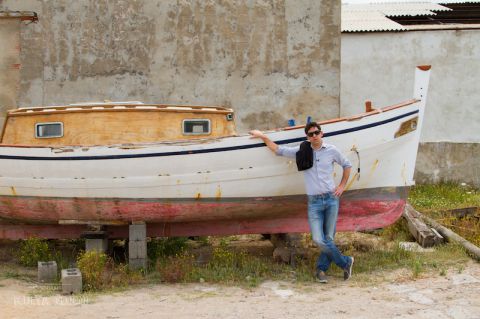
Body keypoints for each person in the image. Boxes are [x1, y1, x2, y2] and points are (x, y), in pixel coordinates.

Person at [249, 122, 354, 283]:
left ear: (322, 134)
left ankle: (321, 270)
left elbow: (347, 165)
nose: (314, 136)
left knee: (329, 239)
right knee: (319, 239)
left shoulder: (332, 150)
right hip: (314, 202)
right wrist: (263, 136)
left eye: (316, 133)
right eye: (311, 134)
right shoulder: (302, 150)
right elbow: (279, 150)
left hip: (331, 199)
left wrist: (341, 186)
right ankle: (345, 262)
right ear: (308, 137)